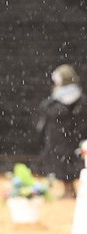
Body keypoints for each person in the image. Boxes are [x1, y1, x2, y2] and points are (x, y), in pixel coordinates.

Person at [36, 64, 84, 199]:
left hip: (68, 137)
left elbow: (63, 113)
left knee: (67, 163)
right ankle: (68, 189)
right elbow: (45, 108)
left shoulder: (76, 98)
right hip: (58, 137)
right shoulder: (58, 97)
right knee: (60, 163)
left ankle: (70, 190)